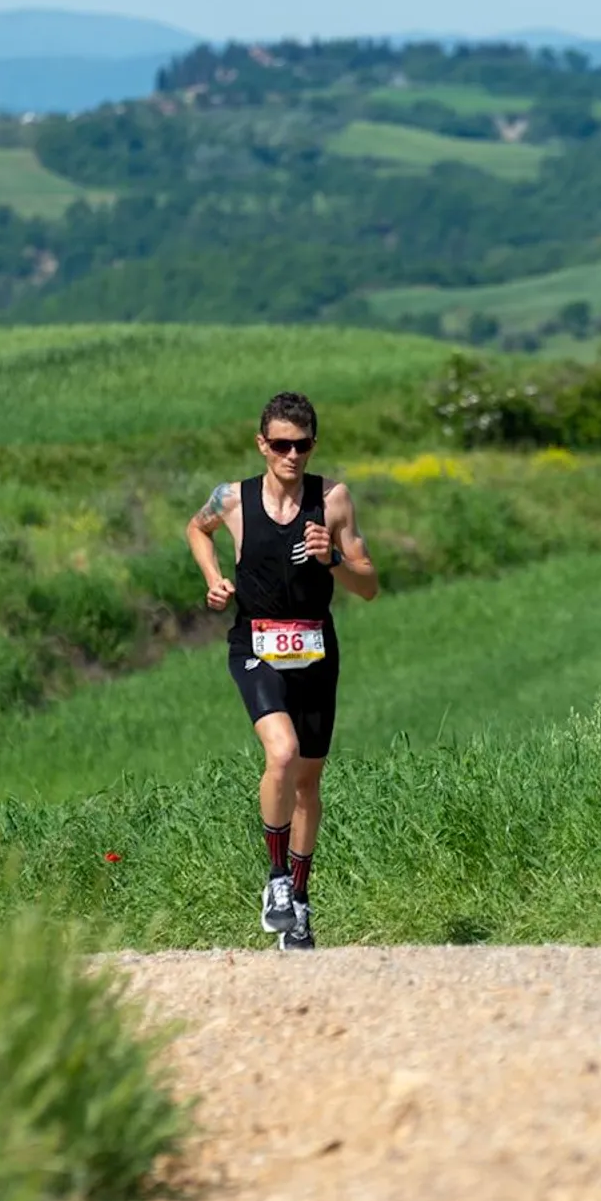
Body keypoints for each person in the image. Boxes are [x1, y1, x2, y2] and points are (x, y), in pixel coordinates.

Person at [185, 391, 378, 951]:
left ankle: (299, 901)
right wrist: (214, 578)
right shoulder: (232, 499)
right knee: (282, 754)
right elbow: (196, 530)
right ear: (262, 445)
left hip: (316, 648)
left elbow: (369, 587)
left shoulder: (333, 501)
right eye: (280, 445)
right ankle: (274, 881)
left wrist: (334, 559)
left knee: (307, 784)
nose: (291, 455)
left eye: (302, 445)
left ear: (314, 445)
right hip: (256, 643)